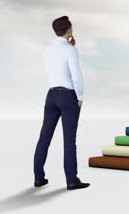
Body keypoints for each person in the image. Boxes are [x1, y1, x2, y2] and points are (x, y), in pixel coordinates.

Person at [33, 16, 90, 190]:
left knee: (44, 137)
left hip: (51, 95)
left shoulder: (47, 48)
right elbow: (76, 75)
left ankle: (38, 178)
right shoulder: (71, 50)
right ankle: (72, 180)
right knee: (69, 140)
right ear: (69, 29)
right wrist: (80, 97)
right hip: (68, 96)